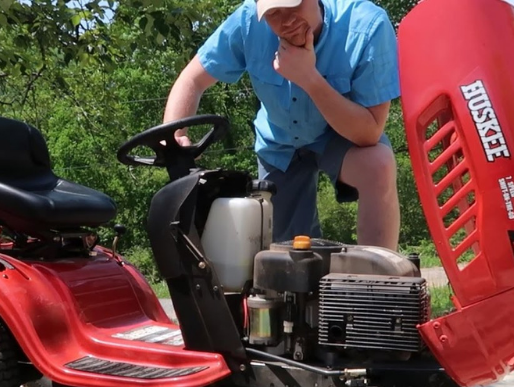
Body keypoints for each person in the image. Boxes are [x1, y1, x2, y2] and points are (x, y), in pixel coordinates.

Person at [162, 0, 401, 250]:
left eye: (293, 6)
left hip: (340, 134)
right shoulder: (247, 22)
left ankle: (378, 280)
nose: (286, 21)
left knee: (378, 165)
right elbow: (192, 79)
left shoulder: (368, 25)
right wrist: (174, 135)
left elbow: (370, 132)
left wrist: (308, 77)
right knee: (287, 257)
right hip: (279, 143)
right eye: (274, 13)